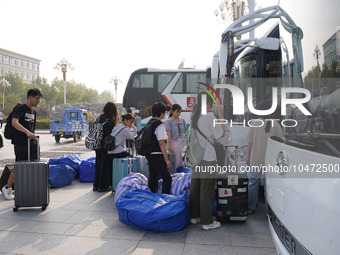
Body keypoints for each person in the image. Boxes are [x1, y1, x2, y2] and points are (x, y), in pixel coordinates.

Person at [189, 91, 226, 230]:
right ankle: (207, 221)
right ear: (210, 103)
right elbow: (220, 135)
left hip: (196, 157)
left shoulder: (195, 115)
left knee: (195, 187)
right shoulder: (210, 117)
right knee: (207, 189)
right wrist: (221, 116)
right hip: (208, 157)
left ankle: (194, 216)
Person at [2, 88, 42, 200]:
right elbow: (14, 123)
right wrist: (27, 132)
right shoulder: (19, 108)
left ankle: (27, 188)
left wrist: (32, 136)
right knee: (19, 166)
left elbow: (31, 128)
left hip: (31, 143)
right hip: (20, 143)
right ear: (30, 97)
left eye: (39, 99)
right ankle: (7, 188)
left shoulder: (34, 112)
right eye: (37, 98)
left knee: (33, 165)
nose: (38, 101)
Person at [246, 99, 284, 216]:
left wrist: (248, 158)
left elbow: (250, 143)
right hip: (271, 160)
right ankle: (268, 211)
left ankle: (251, 207)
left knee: (253, 183)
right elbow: (280, 142)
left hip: (256, 159)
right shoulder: (276, 124)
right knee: (269, 185)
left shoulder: (254, 124)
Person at [146, 102, 172, 194]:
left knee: (153, 177)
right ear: (161, 113)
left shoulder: (150, 122)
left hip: (149, 154)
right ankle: (165, 199)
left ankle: (151, 197)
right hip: (157, 155)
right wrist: (166, 160)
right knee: (167, 178)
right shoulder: (159, 124)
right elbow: (161, 143)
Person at [93, 102, 118, 192]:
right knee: (105, 165)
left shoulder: (100, 117)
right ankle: (103, 186)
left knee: (98, 164)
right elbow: (111, 133)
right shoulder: (111, 119)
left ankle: (96, 185)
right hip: (105, 145)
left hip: (97, 143)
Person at [165, 104, 186, 170]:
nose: (178, 114)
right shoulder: (169, 121)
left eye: (180, 112)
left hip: (182, 142)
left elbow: (183, 132)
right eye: (177, 112)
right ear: (173, 111)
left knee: (183, 159)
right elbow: (169, 134)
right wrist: (170, 147)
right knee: (176, 160)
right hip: (174, 142)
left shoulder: (182, 121)